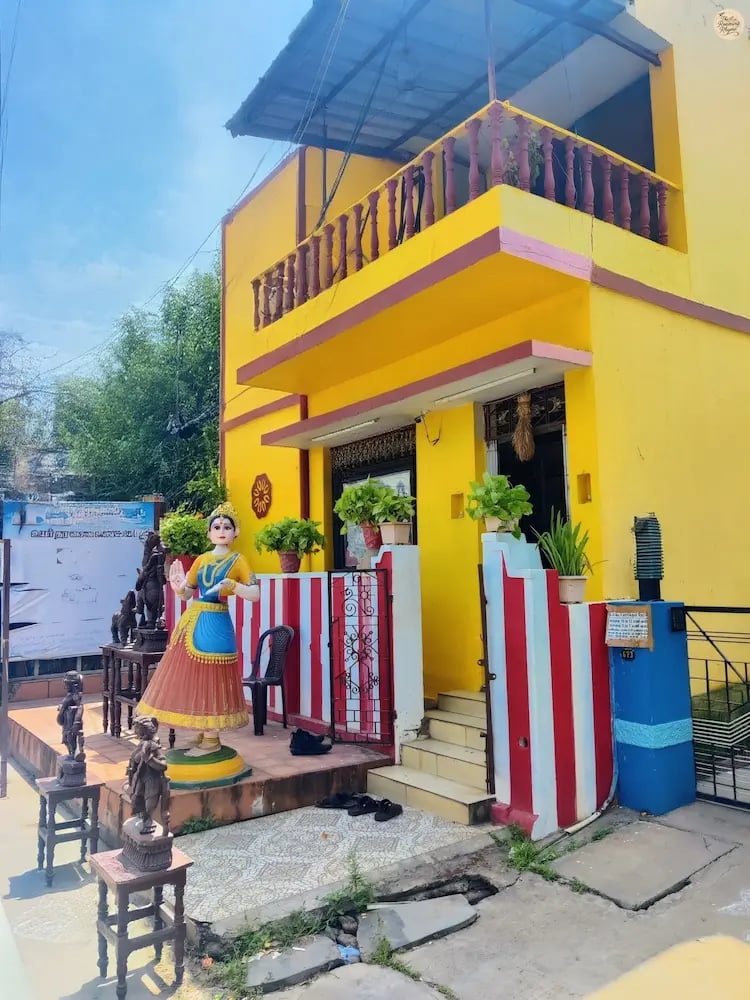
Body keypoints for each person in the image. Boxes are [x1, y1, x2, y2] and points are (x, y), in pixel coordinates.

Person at [137, 501, 259, 755]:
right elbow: (186, 594)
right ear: (209, 533)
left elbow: (255, 593)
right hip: (193, 621)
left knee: (213, 676)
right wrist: (176, 583)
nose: (222, 530)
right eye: (217, 526)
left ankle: (212, 739)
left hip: (217, 623)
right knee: (195, 675)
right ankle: (203, 732)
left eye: (227, 526)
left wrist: (234, 587)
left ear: (236, 532)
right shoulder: (202, 559)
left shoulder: (238, 560)